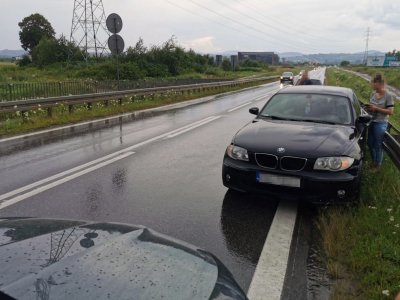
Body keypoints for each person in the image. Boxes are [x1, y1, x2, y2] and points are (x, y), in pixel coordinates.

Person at [366, 74, 394, 171]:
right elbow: (371, 106)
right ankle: (374, 161)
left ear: (379, 83)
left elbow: (390, 112)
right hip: (371, 121)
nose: (372, 85)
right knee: (369, 143)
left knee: (378, 145)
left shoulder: (388, 95)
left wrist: (376, 108)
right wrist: (369, 108)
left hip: (381, 123)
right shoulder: (373, 94)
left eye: (373, 83)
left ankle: (377, 165)